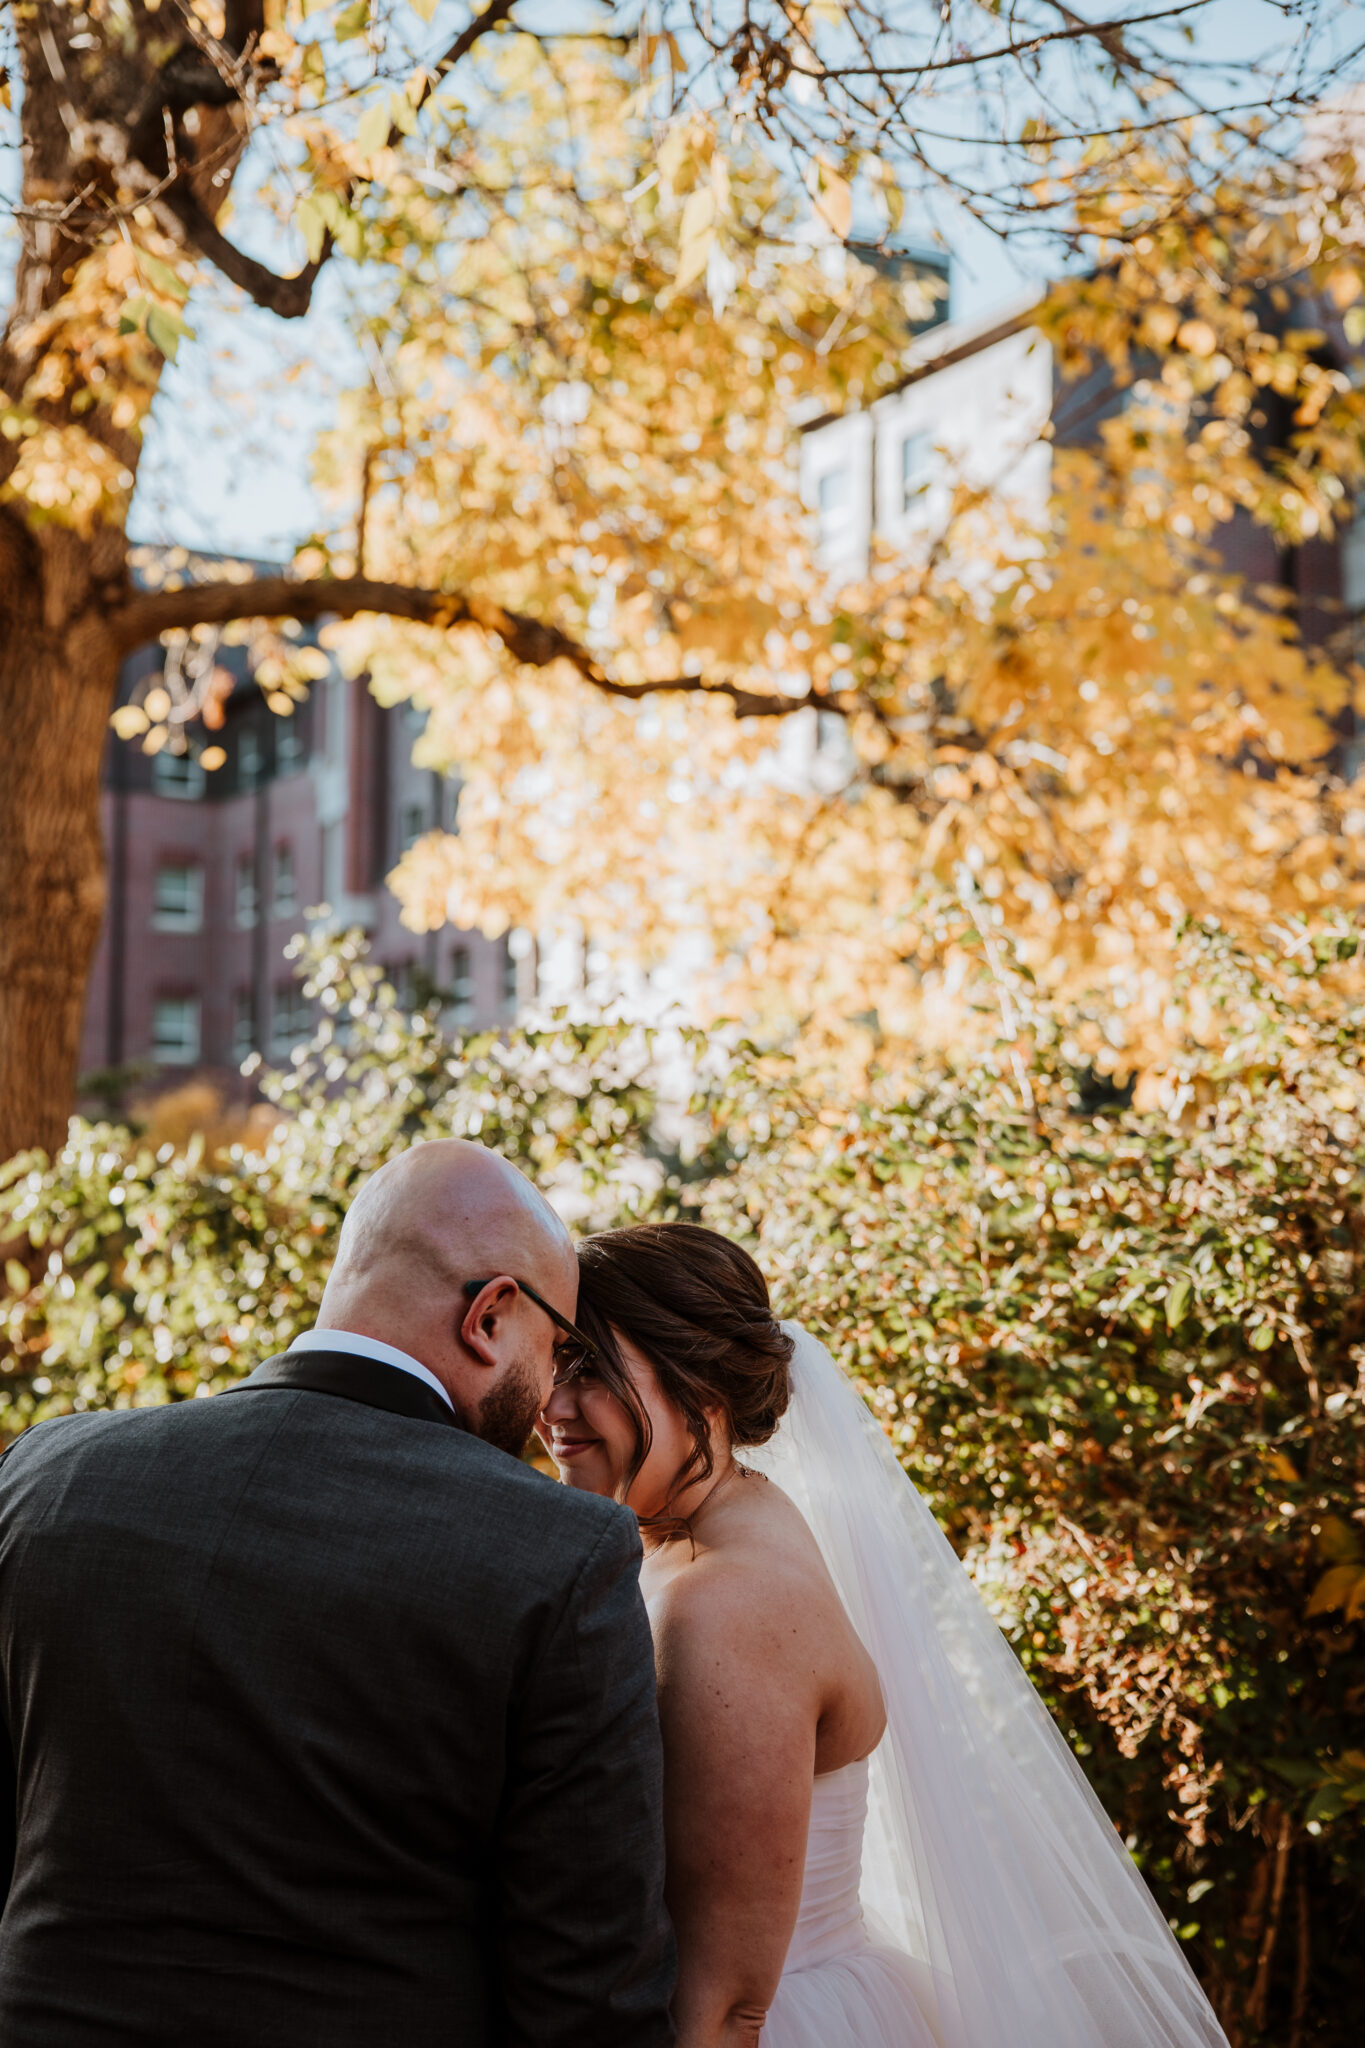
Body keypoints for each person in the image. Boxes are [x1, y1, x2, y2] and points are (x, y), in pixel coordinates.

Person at [0, 1140, 675, 2048]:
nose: (553, 1389)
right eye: (558, 1350)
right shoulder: (556, 1550)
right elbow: (591, 1985)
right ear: (491, 1316)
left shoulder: (48, 1473)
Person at [537, 1221, 1231, 2048]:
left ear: (699, 1388)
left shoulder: (729, 1603)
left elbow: (725, 2003)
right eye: (551, 1361)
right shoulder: (736, 1518)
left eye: (587, 1367)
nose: (550, 1405)